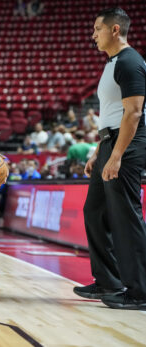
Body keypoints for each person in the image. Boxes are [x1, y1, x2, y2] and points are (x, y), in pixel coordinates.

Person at [73, 7, 146, 310]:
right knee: (95, 211)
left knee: (126, 217)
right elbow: (112, 114)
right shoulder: (112, 63)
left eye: (97, 29)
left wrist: (115, 156)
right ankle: (108, 281)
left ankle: (140, 292)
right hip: (109, 143)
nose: (93, 35)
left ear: (115, 30)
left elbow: (134, 112)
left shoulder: (130, 62)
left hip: (126, 146)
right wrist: (98, 152)